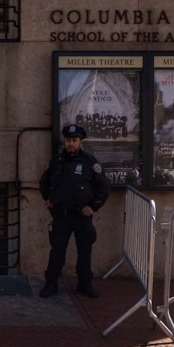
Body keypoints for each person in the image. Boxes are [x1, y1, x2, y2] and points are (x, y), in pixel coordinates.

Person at [39, 124, 110, 299]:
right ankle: (51, 283)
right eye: (68, 140)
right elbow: (44, 182)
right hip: (61, 216)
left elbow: (104, 187)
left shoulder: (89, 162)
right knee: (57, 252)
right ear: (64, 141)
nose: (70, 143)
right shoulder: (56, 162)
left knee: (85, 252)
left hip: (81, 217)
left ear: (80, 141)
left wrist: (93, 207)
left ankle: (85, 284)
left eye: (74, 140)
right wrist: (47, 199)